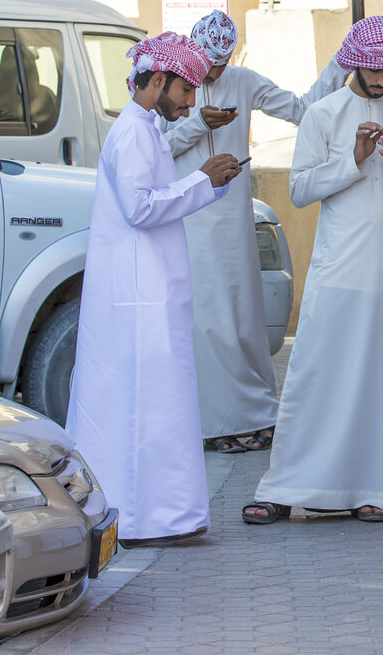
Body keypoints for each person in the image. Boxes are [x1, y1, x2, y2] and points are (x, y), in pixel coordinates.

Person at [243, 16, 383, 525]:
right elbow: (302, 190)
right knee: (317, 375)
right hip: (338, 272)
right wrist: (354, 158)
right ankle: (289, 487)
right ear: (353, 61)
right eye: (374, 68)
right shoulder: (323, 115)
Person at [66, 32, 242, 549]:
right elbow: (141, 208)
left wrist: (210, 181)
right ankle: (143, 519)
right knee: (145, 406)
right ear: (159, 80)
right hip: (138, 298)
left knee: (159, 406)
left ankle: (165, 515)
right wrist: (202, 179)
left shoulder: (143, 129)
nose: (191, 103)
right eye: (186, 91)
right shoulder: (133, 132)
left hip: (149, 292)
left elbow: (158, 198)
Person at [162, 10, 348, 455]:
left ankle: (252, 415)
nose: (211, 73)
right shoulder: (173, 90)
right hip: (191, 219)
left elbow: (302, 110)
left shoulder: (243, 81)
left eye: (219, 65)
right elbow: (158, 150)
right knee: (207, 322)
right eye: (206, 64)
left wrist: (340, 64)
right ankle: (212, 423)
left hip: (234, 218)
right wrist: (197, 124)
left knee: (242, 317)